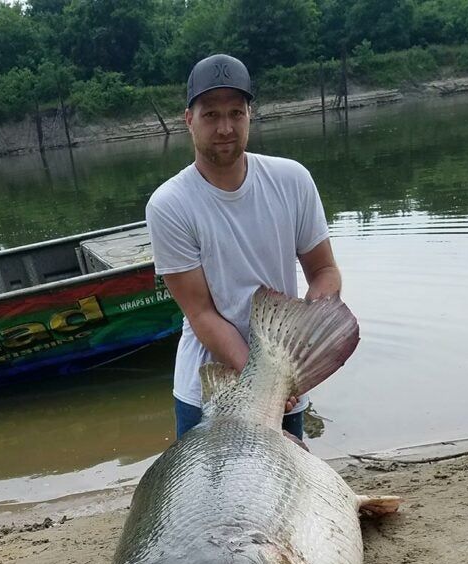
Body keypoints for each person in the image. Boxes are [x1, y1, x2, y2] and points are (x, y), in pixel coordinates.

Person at [145, 53, 343, 441]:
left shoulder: (292, 180)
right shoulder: (169, 205)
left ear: (251, 115)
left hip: (285, 379)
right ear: (189, 120)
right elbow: (201, 313)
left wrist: (306, 341)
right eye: (211, 115)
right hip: (208, 390)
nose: (225, 128)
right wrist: (264, 376)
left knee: (286, 498)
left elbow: (324, 272)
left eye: (236, 113)